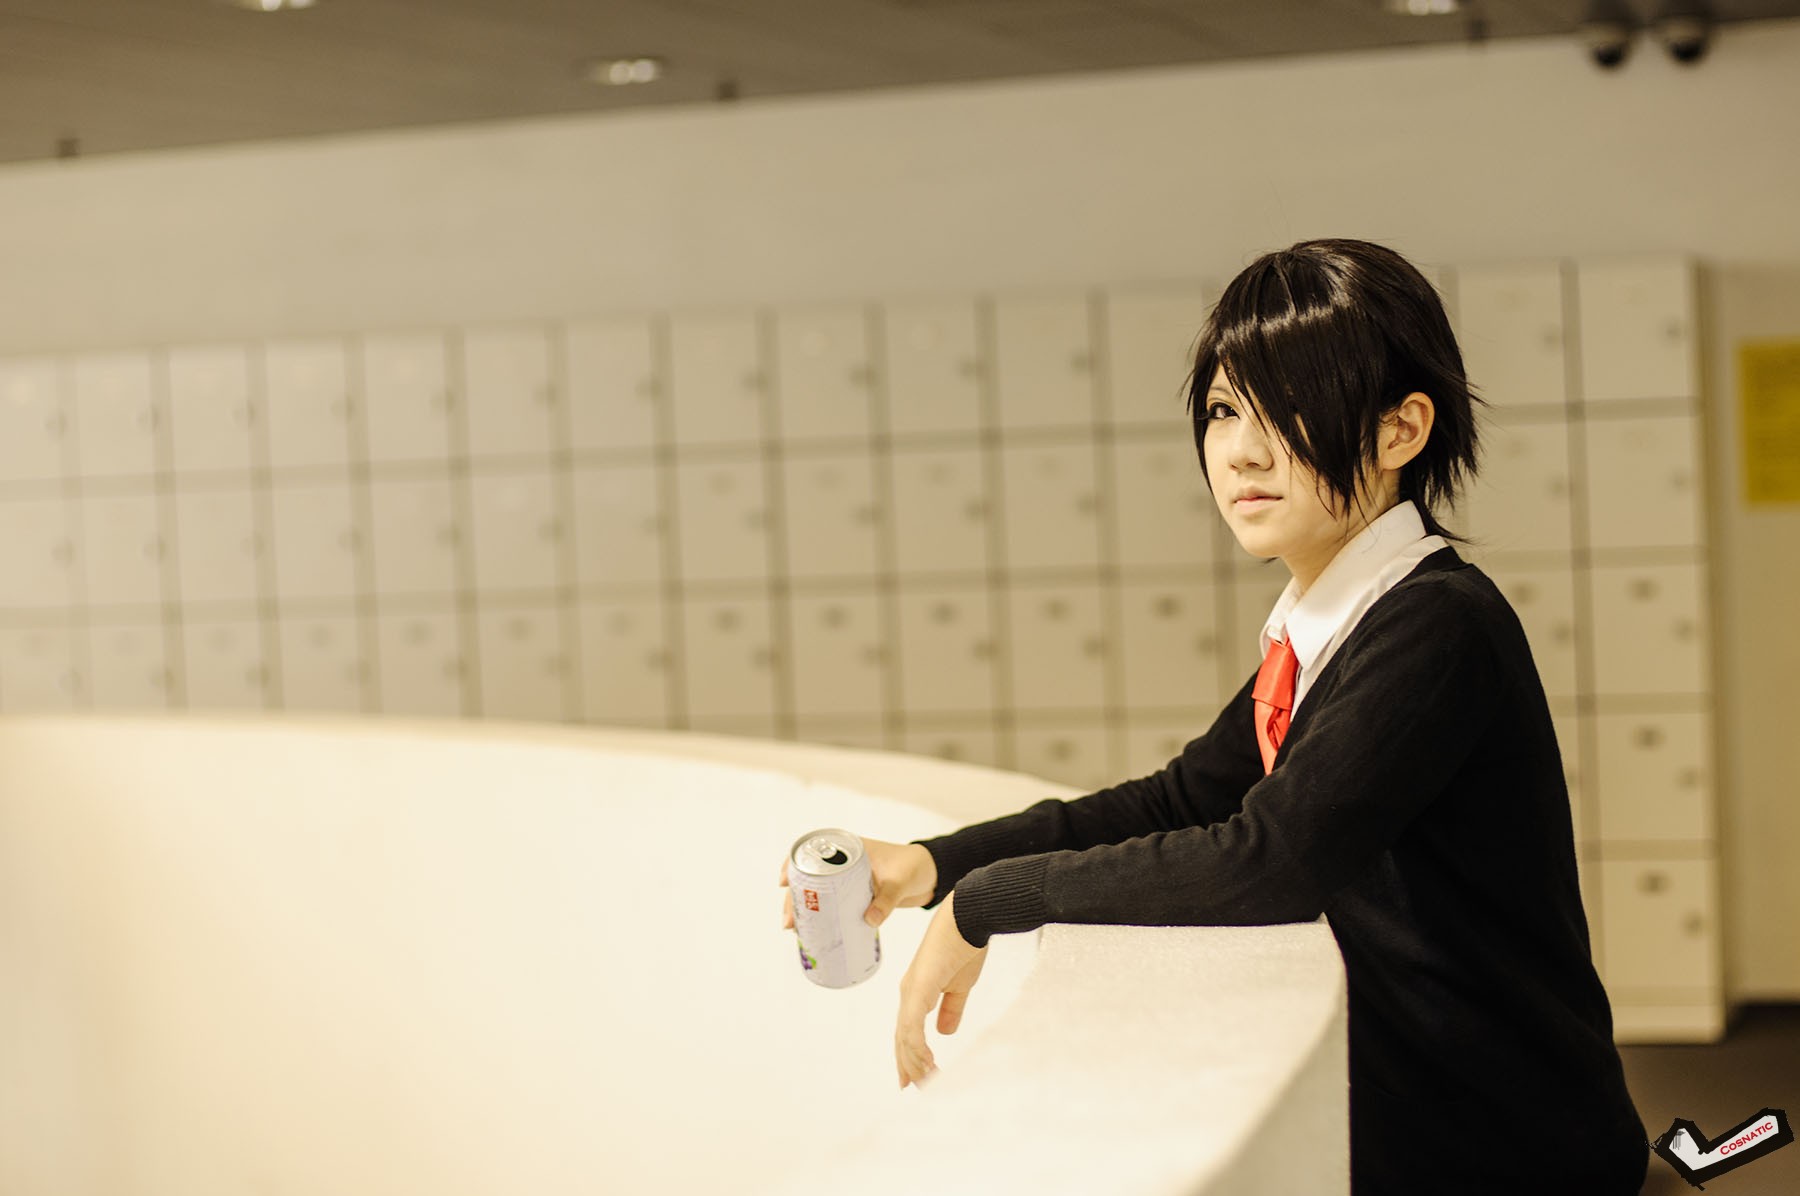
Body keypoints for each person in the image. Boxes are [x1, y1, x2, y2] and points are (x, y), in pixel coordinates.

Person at [779, 239, 1648, 1194]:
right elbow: (1181, 801)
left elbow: (1270, 861)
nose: (1242, 451)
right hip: (1425, 1127)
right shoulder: (1331, 625)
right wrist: (933, 864)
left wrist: (992, 902)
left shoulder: (1436, 624)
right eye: (1226, 409)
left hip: (1512, 1153)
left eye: (1292, 407)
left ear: (1401, 430)